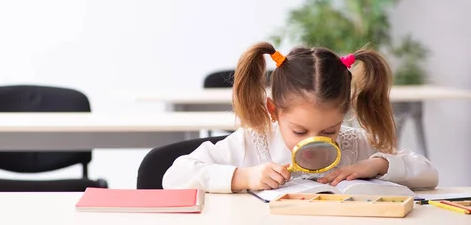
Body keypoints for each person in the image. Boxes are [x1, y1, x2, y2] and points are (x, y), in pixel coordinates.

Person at [162, 42, 438, 193]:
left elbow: (428, 173)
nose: (314, 142)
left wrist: (377, 164)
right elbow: (174, 176)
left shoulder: (354, 144)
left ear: (344, 115)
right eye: (299, 131)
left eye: (329, 131)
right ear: (273, 111)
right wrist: (243, 177)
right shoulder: (251, 143)